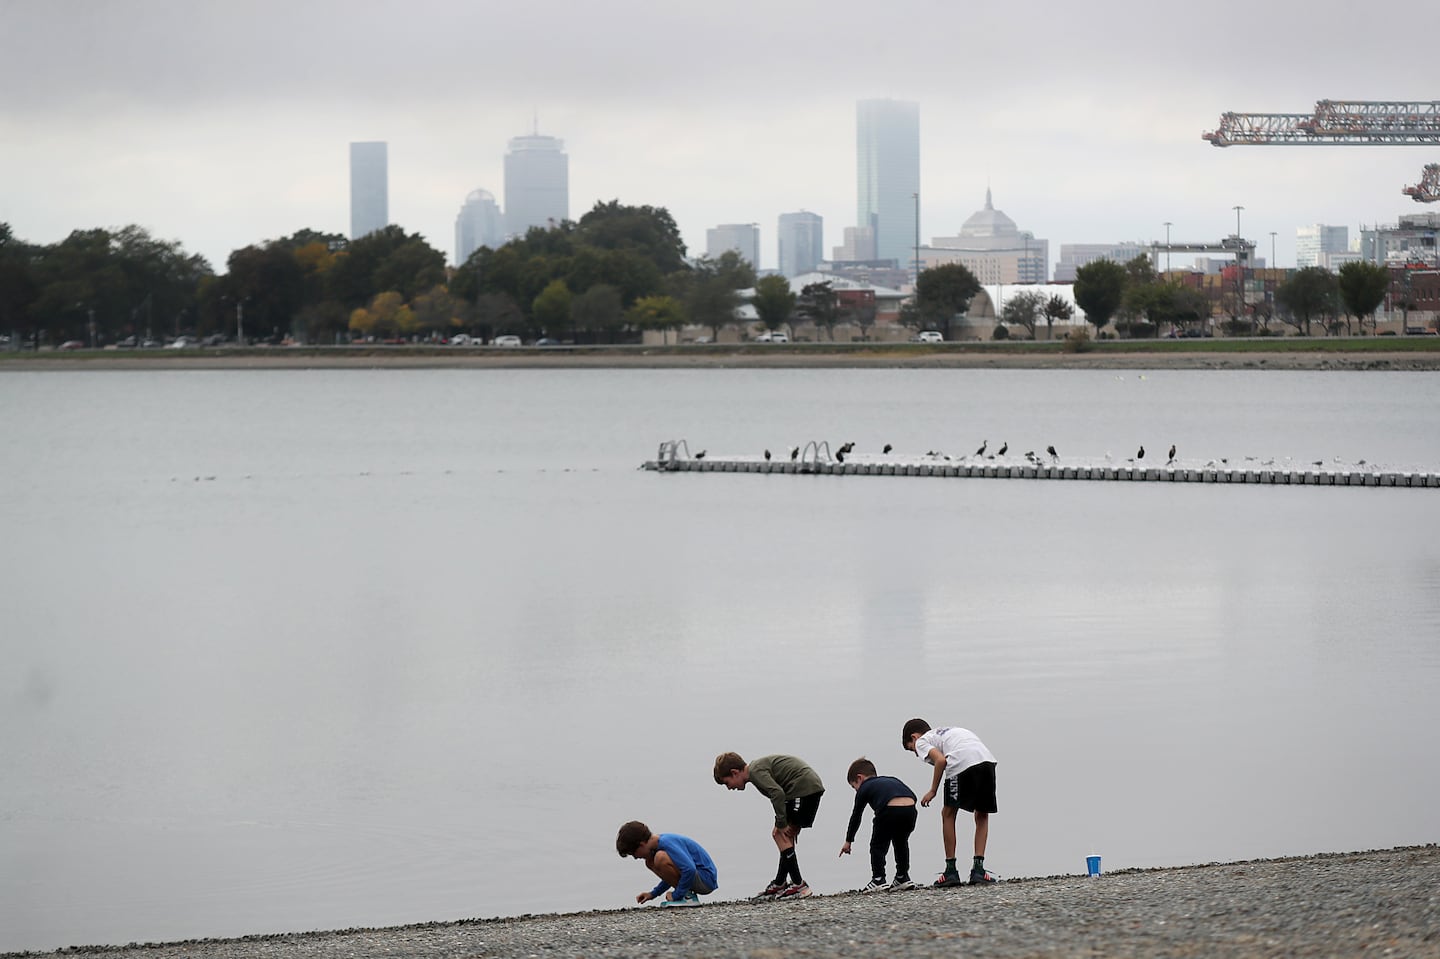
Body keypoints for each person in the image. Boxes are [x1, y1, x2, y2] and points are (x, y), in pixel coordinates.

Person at [713, 752, 824, 900]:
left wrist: (782, 823)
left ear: (734, 772)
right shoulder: (756, 770)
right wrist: (782, 822)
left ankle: (799, 885)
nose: (729, 788)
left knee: (780, 834)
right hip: (805, 788)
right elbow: (778, 794)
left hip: (802, 788)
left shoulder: (755, 772)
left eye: (727, 783)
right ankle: (780, 883)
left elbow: (777, 793)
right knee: (784, 836)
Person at [901, 718, 998, 886]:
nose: (917, 754)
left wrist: (933, 790)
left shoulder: (922, 741)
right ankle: (979, 870)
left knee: (948, 813)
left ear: (914, 737)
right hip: (986, 760)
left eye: (912, 749)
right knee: (982, 814)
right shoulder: (945, 732)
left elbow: (941, 761)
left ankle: (951, 871)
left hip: (961, 761)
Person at [837, 757, 917, 892]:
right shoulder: (891, 779)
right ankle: (902, 877)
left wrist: (848, 840)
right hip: (910, 810)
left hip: (889, 810)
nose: (856, 790)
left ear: (860, 778)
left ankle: (878, 879)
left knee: (877, 846)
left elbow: (856, 816)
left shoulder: (865, 787)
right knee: (901, 842)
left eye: (854, 786)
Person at [615, 820, 718, 907]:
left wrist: (676, 895)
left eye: (633, 854)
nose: (636, 858)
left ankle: (687, 898)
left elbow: (689, 869)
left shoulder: (666, 843)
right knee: (650, 861)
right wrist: (653, 894)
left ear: (641, 845)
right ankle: (685, 895)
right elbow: (672, 876)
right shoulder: (656, 848)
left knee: (660, 858)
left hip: (706, 879)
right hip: (695, 877)